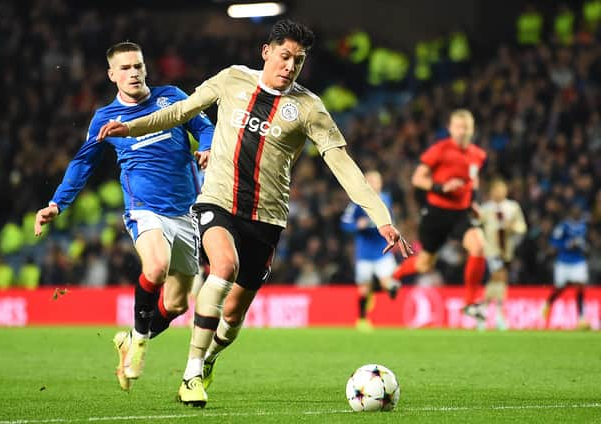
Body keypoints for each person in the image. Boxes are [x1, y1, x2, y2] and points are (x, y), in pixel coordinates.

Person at [98, 19, 412, 407]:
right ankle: (191, 374)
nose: (289, 66)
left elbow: (342, 164)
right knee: (222, 268)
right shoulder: (232, 80)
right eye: (284, 56)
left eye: (298, 61)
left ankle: (209, 357)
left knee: (231, 319)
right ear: (267, 51)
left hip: (266, 218)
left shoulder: (309, 108)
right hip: (217, 201)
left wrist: (381, 217)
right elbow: (181, 111)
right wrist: (131, 128)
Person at [33, 41, 214, 391]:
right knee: (156, 266)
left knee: (177, 305)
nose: (133, 73)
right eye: (126, 68)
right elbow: (83, 161)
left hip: (186, 213)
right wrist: (57, 203)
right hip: (144, 210)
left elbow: (204, 126)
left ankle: (130, 337)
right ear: (112, 75)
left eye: (138, 66)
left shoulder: (171, 97)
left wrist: (205, 145)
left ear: (146, 68)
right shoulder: (105, 119)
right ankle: (140, 347)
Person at [390, 109, 487, 320]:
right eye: (458, 127)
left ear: (472, 130)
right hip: (436, 213)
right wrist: (442, 187)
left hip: (460, 214)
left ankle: (470, 303)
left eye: (466, 128)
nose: (462, 132)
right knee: (425, 264)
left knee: (478, 245)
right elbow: (417, 179)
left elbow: (473, 181)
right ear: (451, 129)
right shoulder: (439, 150)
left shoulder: (477, 155)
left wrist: (473, 203)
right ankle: (396, 276)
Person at [341, 170, 399, 330]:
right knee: (363, 288)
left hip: (382, 251)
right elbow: (344, 223)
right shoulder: (357, 202)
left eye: (377, 181)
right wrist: (357, 225)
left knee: (388, 282)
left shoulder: (386, 199)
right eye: (371, 181)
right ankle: (361, 319)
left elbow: (391, 220)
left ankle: (387, 287)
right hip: (364, 253)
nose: (375, 184)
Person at [479, 179, 527, 330]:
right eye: (497, 189)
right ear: (491, 192)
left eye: (502, 189)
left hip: (507, 250)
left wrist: (512, 226)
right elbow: (477, 224)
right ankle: (499, 315)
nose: (500, 192)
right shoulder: (485, 209)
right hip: (491, 250)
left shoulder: (512, 207)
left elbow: (522, 227)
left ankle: (483, 311)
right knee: (500, 276)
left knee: (498, 282)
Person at [543, 203, 590, 329]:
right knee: (561, 288)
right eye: (574, 211)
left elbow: (588, 242)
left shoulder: (584, 226)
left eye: (578, 211)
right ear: (570, 213)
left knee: (580, 287)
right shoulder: (563, 226)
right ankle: (548, 303)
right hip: (564, 261)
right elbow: (554, 242)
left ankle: (581, 317)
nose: (576, 213)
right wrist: (567, 245)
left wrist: (585, 247)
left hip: (578, 261)